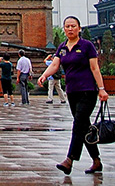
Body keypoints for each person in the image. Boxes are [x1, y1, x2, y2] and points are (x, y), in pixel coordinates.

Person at [37, 15, 109, 175]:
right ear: (64, 29)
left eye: (73, 26)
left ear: (79, 28)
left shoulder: (87, 46)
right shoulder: (62, 47)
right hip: (72, 91)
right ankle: (96, 161)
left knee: (78, 124)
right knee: (83, 126)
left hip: (88, 91)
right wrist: (44, 75)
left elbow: (95, 68)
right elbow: (55, 64)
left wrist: (102, 88)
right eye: (67, 26)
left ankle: (70, 159)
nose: (70, 29)